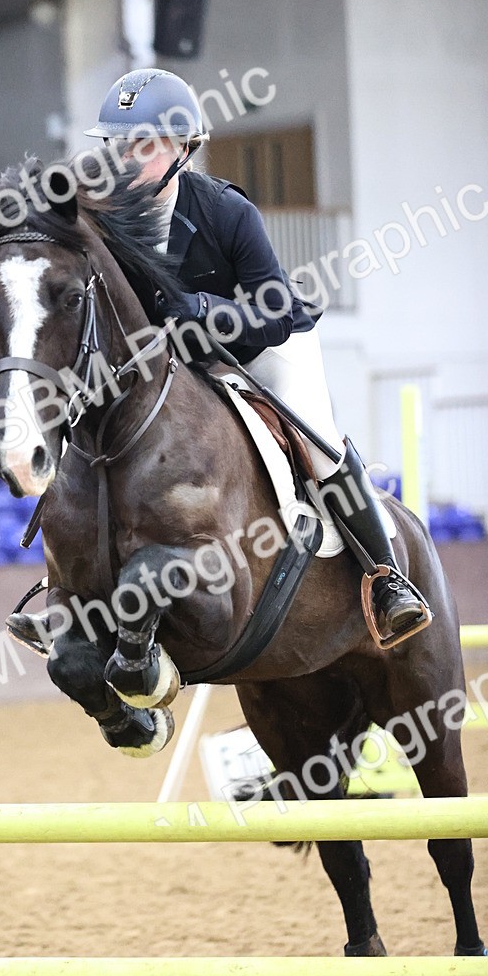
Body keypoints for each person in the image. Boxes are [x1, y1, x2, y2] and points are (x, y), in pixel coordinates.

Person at [83, 67, 425, 634]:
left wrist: (201, 309)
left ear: (181, 148)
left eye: (140, 145)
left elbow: (273, 311)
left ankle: (385, 576)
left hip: (264, 344)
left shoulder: (226, 211)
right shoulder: (110, 220)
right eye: (117, 145)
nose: (124, 159)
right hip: (178, 364)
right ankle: (70, 589)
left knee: (317, 439)